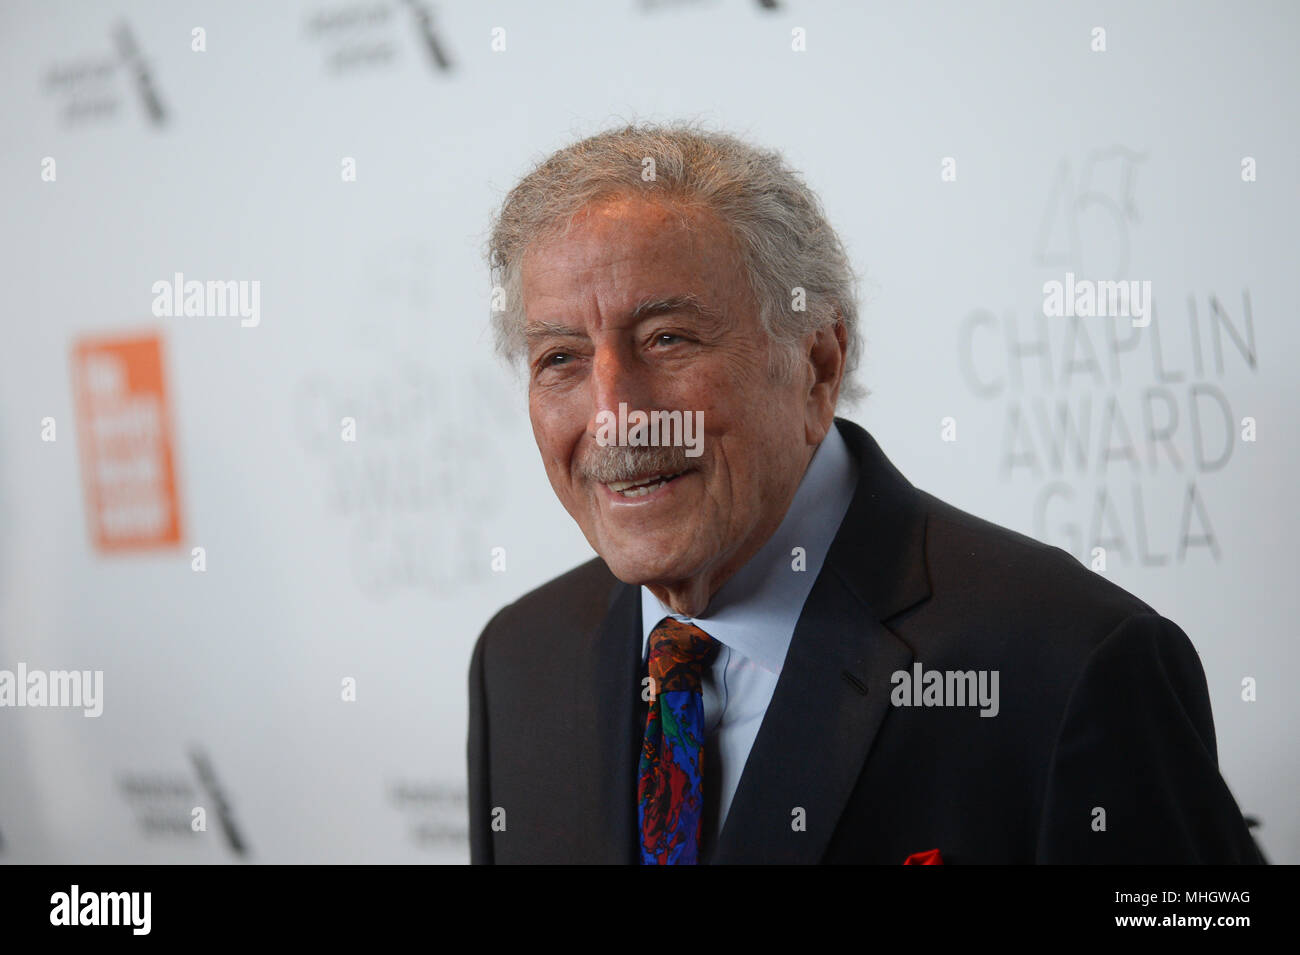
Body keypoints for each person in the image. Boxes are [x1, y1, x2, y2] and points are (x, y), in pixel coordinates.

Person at [467, 122, 1262, 865]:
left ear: (817, 364)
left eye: (668, 339)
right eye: (561, 359)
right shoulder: (518, 662)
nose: (614, 421)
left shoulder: (1075, 666)